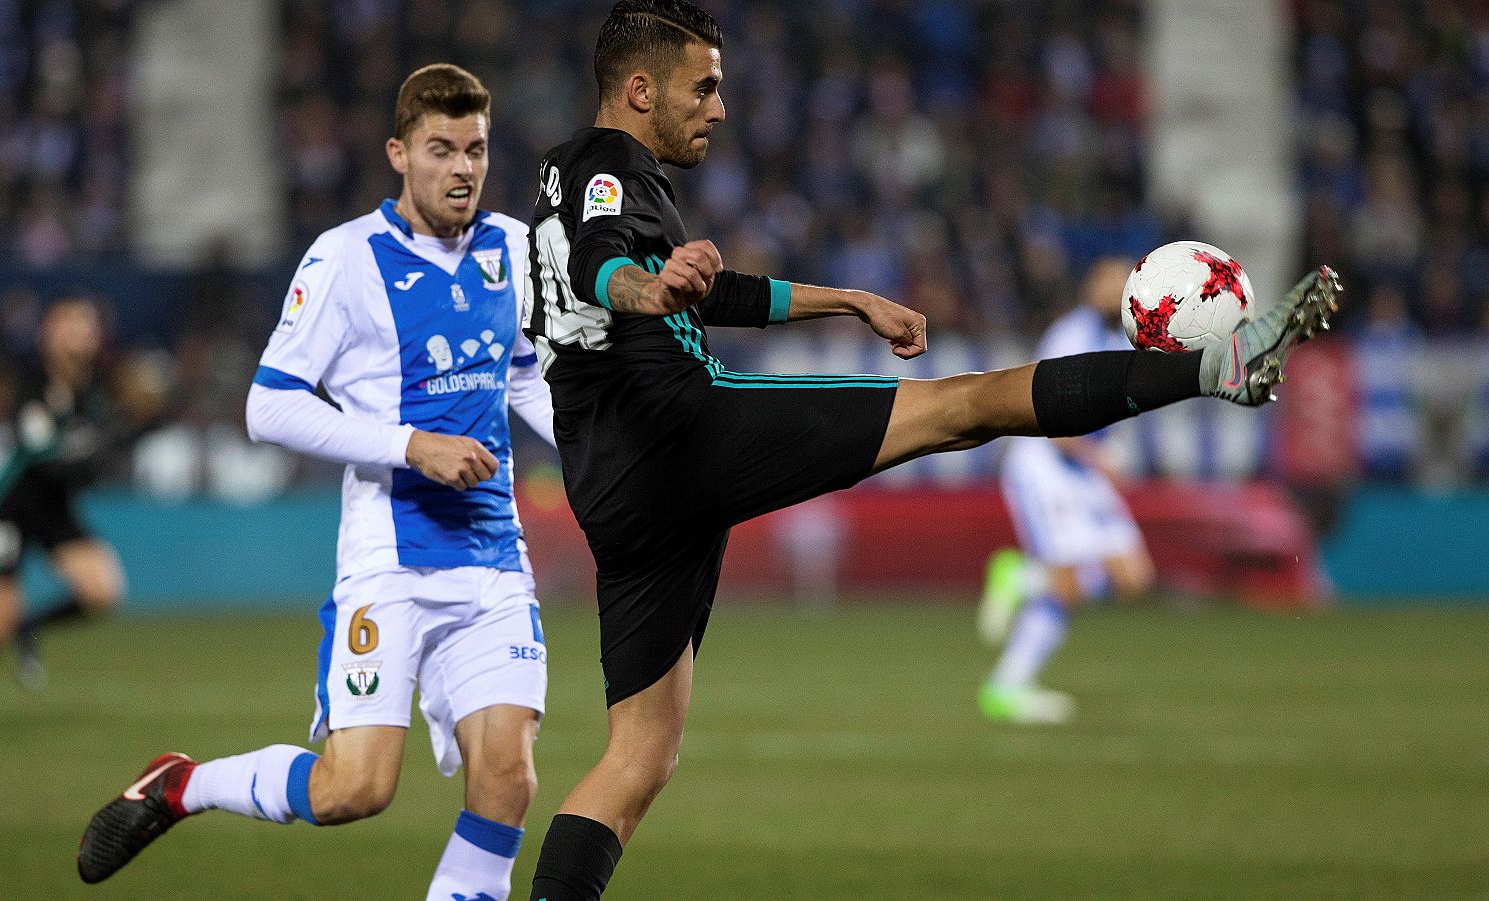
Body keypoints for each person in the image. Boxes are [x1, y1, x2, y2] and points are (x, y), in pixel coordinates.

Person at [517, 2, 1341, 898]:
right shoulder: (611, 169)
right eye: (704, 86)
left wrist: (850, 300)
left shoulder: (567, 175)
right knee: (965, 407)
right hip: (678, 429)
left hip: (614, 485)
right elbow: (608, 267)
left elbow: (686, 289)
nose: (720, 107)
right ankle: (1221, 365)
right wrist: (649, 288)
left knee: (638, 759)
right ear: (638, 90)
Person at [76, 64, 558, 901]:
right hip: (389, 562)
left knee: (508, 777)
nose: (462, 169)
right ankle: (184, 785)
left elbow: (522, 373)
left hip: (491, 560)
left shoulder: (512, 248)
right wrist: (413, 445)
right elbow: (270, 407)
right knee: (354, 789)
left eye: (475, 150)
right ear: (398, 154)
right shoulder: (344, 260)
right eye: (441, 149)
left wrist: (594, 447)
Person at [0, 295, 147, 731]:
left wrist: (133, 429)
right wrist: (101, 447)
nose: (84, 334)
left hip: (53, 506)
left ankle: (29, 626)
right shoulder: (31, 381)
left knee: (103, 591)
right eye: (73, 324)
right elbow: (45, 452)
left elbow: (101, 450)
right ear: (49, 334)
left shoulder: (94, 386)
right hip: (14, 506)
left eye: (89, 326)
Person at [976, 257, 1157, 725]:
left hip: (1082, 469)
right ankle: (1007, 684)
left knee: (1134, 579)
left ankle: (1025, 583)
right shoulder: (1070, 337)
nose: (1114, 292)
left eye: (1122, 285)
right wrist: (1101, 459)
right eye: (1107, 282)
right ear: (1088, 288)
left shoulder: (1122, 339)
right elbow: (1051, 421)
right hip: (1045, 465)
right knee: (1070, 585)